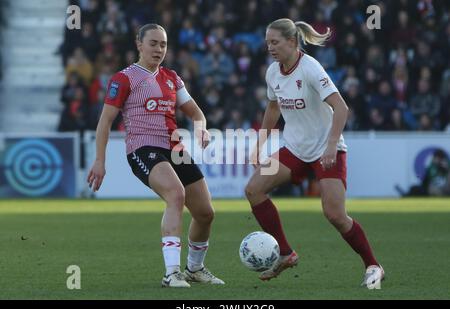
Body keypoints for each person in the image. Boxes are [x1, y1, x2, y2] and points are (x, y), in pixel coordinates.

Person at [245, 18, 384, 287]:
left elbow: (341, 108)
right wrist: (260, 143)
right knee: (254, 189)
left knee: (335, 215)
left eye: (275, 42)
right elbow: (273, 108)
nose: (270, 48)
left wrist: (331, 145)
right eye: (267, 43)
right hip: (296, 149)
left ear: (292, 41)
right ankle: (286, 254)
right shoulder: (273, 72)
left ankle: (373, 265)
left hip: (326, 149)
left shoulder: (310, 68)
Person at [87, 24, 224, 288]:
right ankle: (171, 273)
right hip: (143, 148)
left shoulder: (172, 78)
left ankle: (194, 269)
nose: (159, 49)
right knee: (176, 195)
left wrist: (201, 129)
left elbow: (196, 113)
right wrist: (100, 160)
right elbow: (104, 121)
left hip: (174, 148)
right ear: (139, 44)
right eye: (153, 43)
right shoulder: (124, 78)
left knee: (205, 213)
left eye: (163, 44)